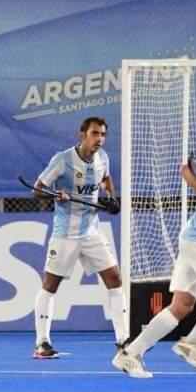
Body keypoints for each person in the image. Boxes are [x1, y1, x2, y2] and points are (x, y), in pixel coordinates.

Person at [30, 116, 127, 359]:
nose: (100, 139)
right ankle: (42, 343)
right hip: (66, 234)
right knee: (51, 285)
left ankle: (123, 339)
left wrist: (111, 199)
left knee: (114, 279)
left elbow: (106, 178)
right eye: (95, 134)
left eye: (103, 134)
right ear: (82, 134)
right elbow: (36, 190)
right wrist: (56, 194)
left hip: (93, 232)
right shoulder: (62, 160)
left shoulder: (102, 157)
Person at [113, 159, 196, 378]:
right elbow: (186, 169)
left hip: (192, 239)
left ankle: (130, 353)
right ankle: (195, 343)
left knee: (182, 305)